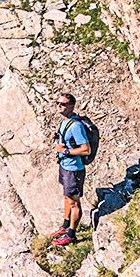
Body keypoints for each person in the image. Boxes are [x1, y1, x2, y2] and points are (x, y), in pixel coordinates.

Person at [51, 93, 92, 247]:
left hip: (74, 169)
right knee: (67, 197)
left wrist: (66, 151)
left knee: (74, 202)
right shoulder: (64, 122)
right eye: (58, 103)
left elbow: (86, 149)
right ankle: (65, 225)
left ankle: (71, 235)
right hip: (65, 166)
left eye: (63, 104)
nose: (59, 106)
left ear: (72, 106)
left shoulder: (76, 126)